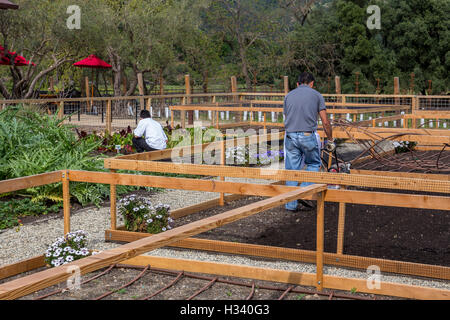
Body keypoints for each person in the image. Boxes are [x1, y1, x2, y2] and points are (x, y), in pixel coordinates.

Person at [283, 72, 334, 212]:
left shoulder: (288, 96)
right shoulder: (317, 95)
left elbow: (286, 117)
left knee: (291, 170)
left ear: (297, 84)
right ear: (312, 84)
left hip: (290, 135)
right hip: (307, 135)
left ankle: (290, 205)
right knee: (314, 164)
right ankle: (301, 191)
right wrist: (330, 139)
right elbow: (325, 121)